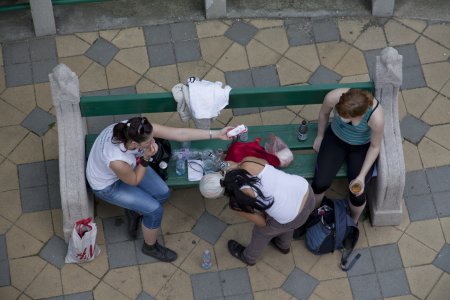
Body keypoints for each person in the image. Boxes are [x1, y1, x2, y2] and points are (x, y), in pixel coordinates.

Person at [86, 116, 231, 262]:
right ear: (135, 143)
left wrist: (218, 133)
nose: (153, 142)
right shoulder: (116, 160)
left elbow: (179, 134)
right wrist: (146, 157)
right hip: (107, 185)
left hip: (131, 166)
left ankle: (134, 210)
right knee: (155, 211)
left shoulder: (135, 128)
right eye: (149, 142)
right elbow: (134, 180)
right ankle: (150, 247)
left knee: (163, 193)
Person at [200, 156, 316, 266]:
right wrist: (237, 165)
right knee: (284, 222)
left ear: (219, 195)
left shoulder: (236, 202)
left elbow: (263, 223)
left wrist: (263, 212)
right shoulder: (247, 163)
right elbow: (265, 163)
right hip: (307, 192)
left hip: (292, 217)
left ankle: (249, 257)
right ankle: (283, 245)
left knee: (262, 232)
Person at [311, 88, 384, 223]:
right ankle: (313, 214)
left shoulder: (375, 117)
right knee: (320, 183)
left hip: (361, 147)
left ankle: (352, 222)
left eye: (347, 118)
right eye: (340, 114)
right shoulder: (333, 97)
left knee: (358, 195)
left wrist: (361, 177)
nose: (342, 118)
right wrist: (320, 136)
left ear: (361, 114)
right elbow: (323, 114)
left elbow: (375, 147)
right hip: (335, 139)